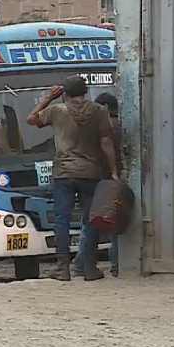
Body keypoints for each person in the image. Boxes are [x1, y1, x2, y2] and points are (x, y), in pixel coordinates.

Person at [27, 75, 118, 281]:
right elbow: (106, 142)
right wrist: (113, 171)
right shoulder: (99, 111)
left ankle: (63, 268)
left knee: (62, 220)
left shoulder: (57, 111)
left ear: (65, 94)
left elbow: (31, 119)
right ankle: (89, 267)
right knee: (91, 220)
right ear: (85, 92)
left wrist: (47, 98)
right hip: (91, 173)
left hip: (64, 174)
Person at [73, 92, 121, 277]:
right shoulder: (114, 127)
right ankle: (115, 265)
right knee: (114, 222)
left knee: (91, 222)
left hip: (93, 179)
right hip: (110, 180)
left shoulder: (89, 128)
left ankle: (80, 265)